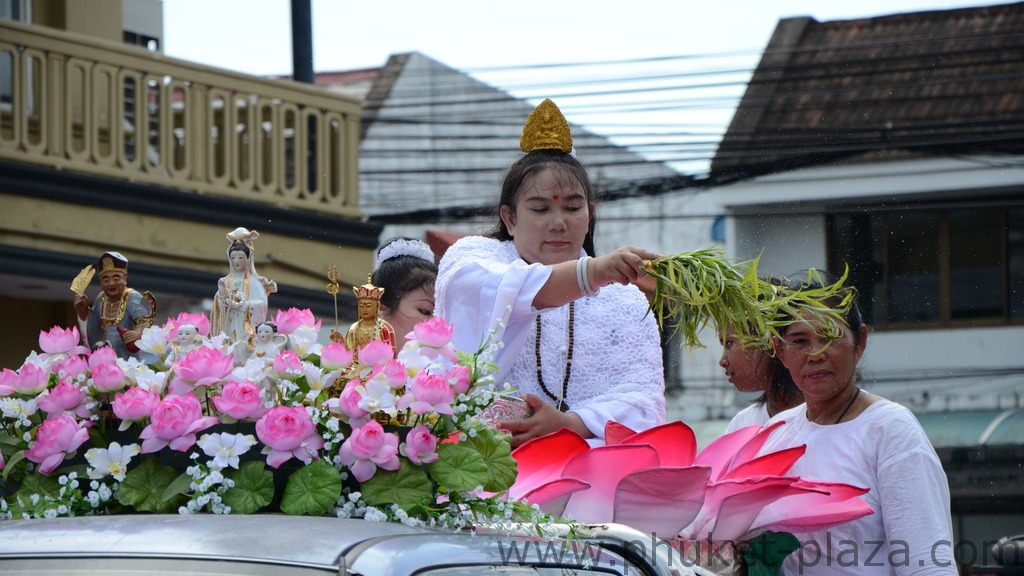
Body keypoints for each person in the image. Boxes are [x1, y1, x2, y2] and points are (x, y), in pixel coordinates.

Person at [436, 98, 666, 448]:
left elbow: (644, 403)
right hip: (483, 465)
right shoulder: (474, 257)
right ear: (509, 218)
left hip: (589, 474)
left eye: (573, 208)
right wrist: (593, 272)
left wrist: (569, 424)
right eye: (540, 209)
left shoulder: (625, 299)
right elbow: (499, 289)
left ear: (589, 214)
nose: (559, 223)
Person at [760, 273, 955, 575]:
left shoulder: (890, 430)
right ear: (781, 351)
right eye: (799, 341)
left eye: (829, 337)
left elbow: (928, 563)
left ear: (859, 342)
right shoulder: (776, 434)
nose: (815, 354)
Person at [719, 324, 803, 433]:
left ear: (769, 344)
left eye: (729, 344)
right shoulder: (741, 424)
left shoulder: (823, 421)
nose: (722, 361)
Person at [73, 251, 156, 361]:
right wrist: (83, 311)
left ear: (125, 278)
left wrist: (137, 332)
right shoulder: (101, 299)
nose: (111, 283)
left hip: (126, 353)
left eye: (116, 279)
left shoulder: (132, 297)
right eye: (106, 280)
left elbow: (144, 321)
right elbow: (94, 324)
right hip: (106, 351)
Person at [210, 228, 277, 353]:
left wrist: (244, 305)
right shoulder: (225, 281)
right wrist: (221, 293)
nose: (237, 261)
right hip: (229, 323)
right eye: (233, 257)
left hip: (245, 324)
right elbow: (218, 306)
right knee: (228, 348)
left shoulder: (253, 282)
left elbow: (262, 303)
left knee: (243, 350)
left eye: (240, 257)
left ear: (248, 259)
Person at [371, 238, 438, 351]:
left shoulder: (447, 366)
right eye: (425, 311)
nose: (436, 323)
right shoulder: (353, 364)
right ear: (382, 306)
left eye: (440, 313)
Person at [345, 277, 397, 357]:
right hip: (357, 367)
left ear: (378, 307)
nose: (364, 309)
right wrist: (341, 341)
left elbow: (392, 354)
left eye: (369, 306)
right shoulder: (353, 328)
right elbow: (348, 352)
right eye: (361, 306)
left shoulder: (385, 328)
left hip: (379, 367)